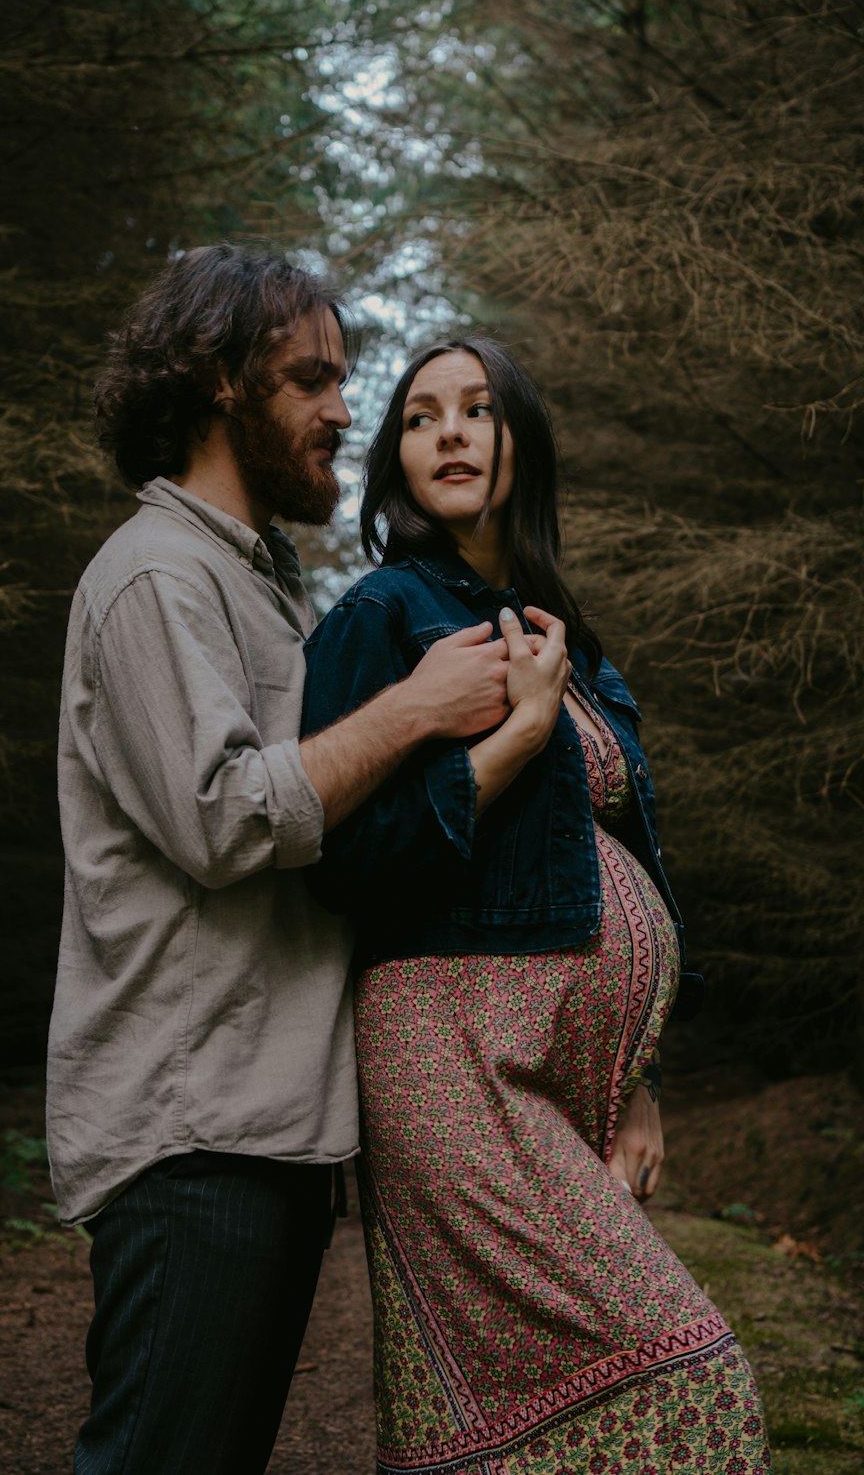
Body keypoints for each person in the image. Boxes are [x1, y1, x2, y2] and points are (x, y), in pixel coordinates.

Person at [46, 249, 517, 1475]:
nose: (344, 412)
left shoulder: (260, 591)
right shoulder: (154, 575)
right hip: (193, 1136)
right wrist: (414, 708)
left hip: (273, 1135)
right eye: (311, 379)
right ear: (217, 381)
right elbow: (224, 819)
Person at [301, 337, 771, 1471]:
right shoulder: (383, 614)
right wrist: (511, 740)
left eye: (476, 410)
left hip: (569, 1076)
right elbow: (338, 864)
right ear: (395, 459)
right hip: (450, 1060)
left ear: (524, 441)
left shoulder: (571, 637)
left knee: (532, 1422)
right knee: (695, 1386)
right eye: (420, 417)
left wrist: (639, 1080)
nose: (449, 433)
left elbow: (623, 866)